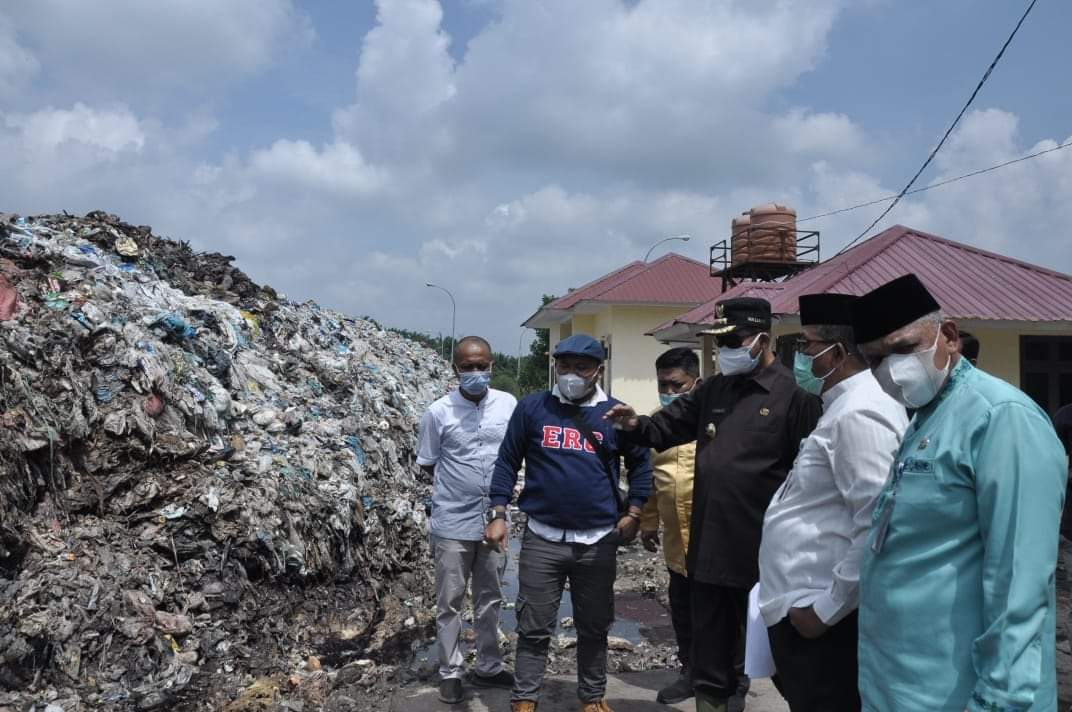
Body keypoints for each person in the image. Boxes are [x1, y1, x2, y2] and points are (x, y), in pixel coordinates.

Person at [851, 274, 1068, 711]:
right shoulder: (927, 417)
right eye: (875, 359)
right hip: (899, 684)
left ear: (948, 337)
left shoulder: (1002, 418)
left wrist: (999, 699)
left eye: (902, 348)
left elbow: (1019, 582)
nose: (890, 369)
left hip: (965, 694)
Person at [605, 298, 822, 712]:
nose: (725, 350)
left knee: (783, 657)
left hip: (765, 555)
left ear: (762, 339)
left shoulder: (794, 398)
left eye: (733, 340)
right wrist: (634, 424)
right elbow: (662, 428)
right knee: (710, 660)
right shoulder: (714, 390)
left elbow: (811, 480)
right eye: (720, 342)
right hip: (709, 550)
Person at [486, 334, 653, 712]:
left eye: (581, 367)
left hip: (598, 540)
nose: (571, 374)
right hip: (542, 537)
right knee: (533, 625)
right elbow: (507, 461)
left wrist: (635, 512)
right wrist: (498, 513)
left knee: (594, 626)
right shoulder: (533, 409)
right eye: (565, 366)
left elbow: (642, 465)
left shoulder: (615, 415)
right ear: (555, 366)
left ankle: (592, 697)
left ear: (599, 370)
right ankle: (525, 698)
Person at [757, 293, 907, 712]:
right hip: (804, 612)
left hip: (825, 623)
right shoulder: (840, 407)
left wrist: (824, 610)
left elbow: (879, 521)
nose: (800, 356)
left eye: (805, 345)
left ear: (837, 352)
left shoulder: (860, 413)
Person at [417, 336, 517, 705]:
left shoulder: (508, 405)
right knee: (450, 600)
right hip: (451, 522)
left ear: (492, 365)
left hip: (495, 519)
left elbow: (515, 451)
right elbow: (427, 463)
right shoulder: (438, 412)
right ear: (455, 369)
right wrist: (459, 490)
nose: (476, 373)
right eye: (468, 367)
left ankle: (489, 666)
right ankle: (451, 671)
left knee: (490, 598)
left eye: (482, 365)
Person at [639, 347, 701, 705]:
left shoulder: (715, 421)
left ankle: (732, 683)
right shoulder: (658, 423)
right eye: (663, 384)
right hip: (676, 544)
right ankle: (689, 672)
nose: (669, 392)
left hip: (716, 542)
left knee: (726, 617)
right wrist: (648, 523)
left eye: (677, 385)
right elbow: (648, 480)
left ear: (695, 382)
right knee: (683, 611)